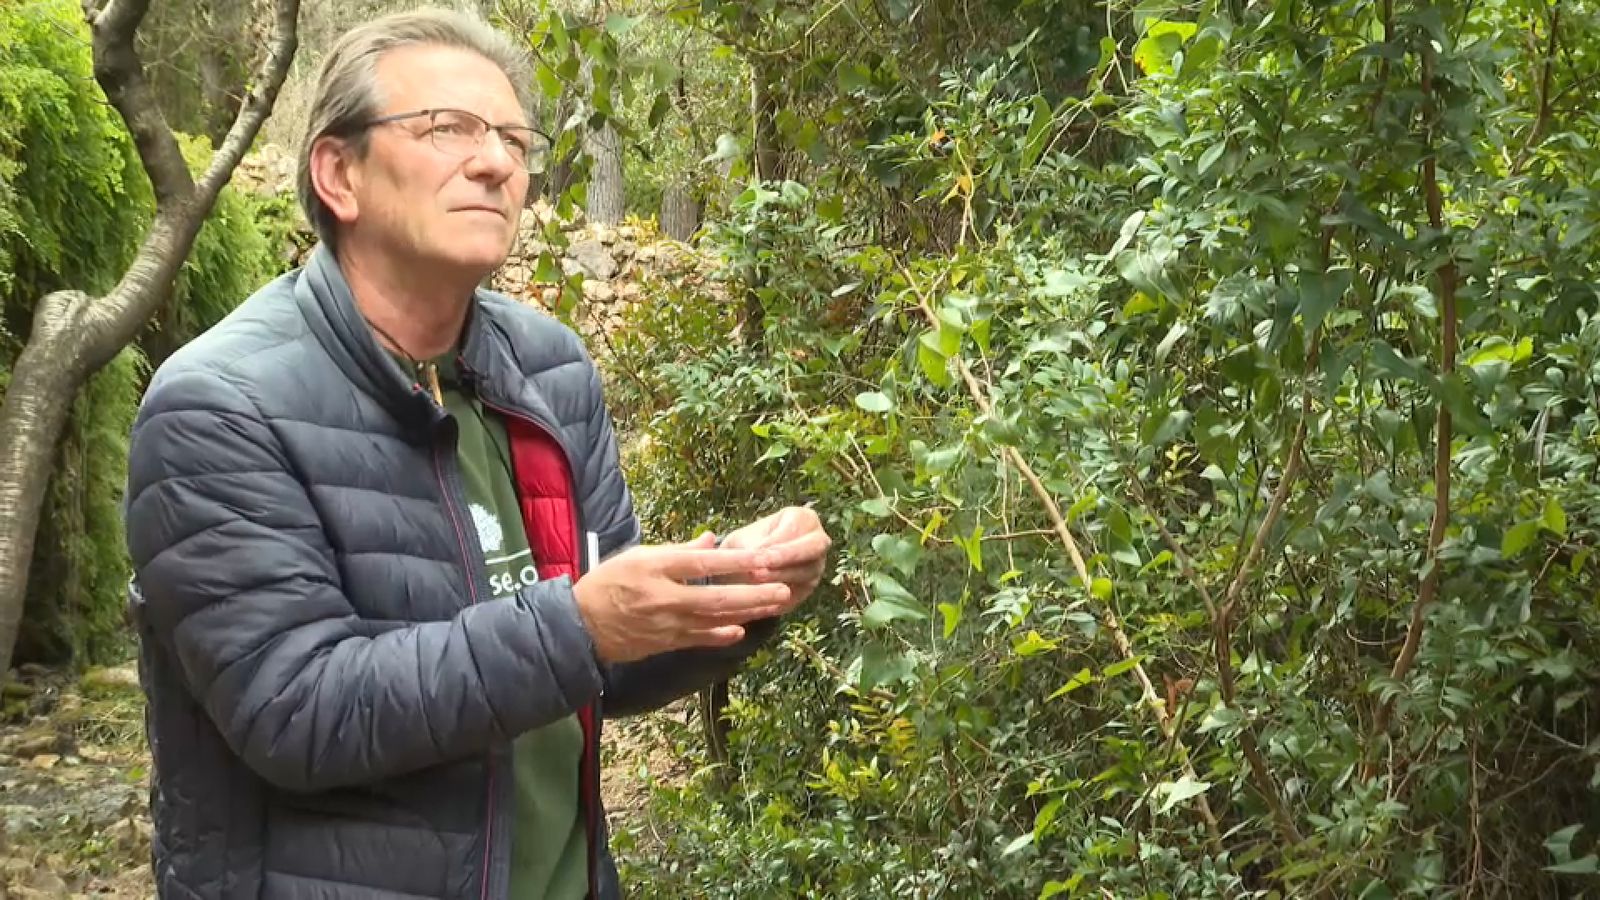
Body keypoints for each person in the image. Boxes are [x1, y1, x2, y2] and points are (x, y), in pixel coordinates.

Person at [121, 8, 830, 899]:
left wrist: (736, 590)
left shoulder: (548, 370)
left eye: (512, 139)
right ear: (339, 173)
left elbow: (598, 662)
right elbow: (294, 712)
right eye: (447, 129)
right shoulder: (220, 405)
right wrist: (581, 623)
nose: (496, 161)